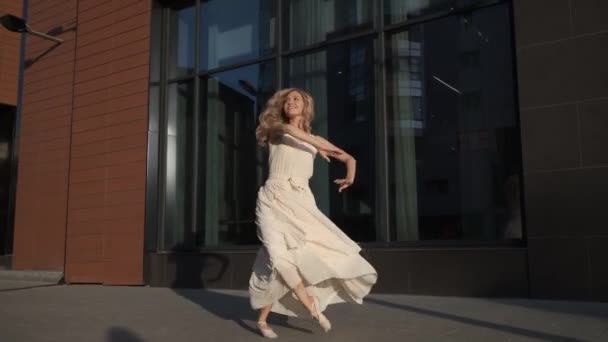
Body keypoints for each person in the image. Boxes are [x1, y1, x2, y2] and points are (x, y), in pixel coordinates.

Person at [249, 88, 378, 338]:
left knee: (281, 260)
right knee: (279, 258)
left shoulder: (311, 140)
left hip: (300, 201)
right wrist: (318, 144)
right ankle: (312, 308)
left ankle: (262, 320)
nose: (291, 102)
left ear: (306, 105)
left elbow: (350, 158)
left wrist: (349, 176)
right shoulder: (278, 128)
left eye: (296, 99)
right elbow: (294, 133)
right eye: (287, 100)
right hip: (273, 198)